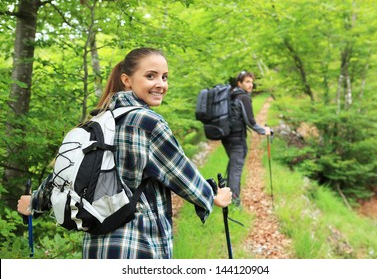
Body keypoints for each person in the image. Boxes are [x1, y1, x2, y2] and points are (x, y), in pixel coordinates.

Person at [17, 47, 232, 259]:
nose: (161, 84)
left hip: (97, 249)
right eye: (151, 76)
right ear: (127, 80)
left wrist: (34, 203)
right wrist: (213, 196)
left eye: (164, 77)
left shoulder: (97, 121)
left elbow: (66, 173)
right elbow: (183, 176)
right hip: (138, 246)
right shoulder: (148, 123)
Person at [222, 70, 271, 207]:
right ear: (240, 83)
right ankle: (235, 202)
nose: (251, 85)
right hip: (237, 139)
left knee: (233, 167)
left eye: (252, 82)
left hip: (226, 138)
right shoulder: (243, 97)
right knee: (236, 170)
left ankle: (227, 195)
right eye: (247, 82)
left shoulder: (231, 95)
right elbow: (251, 122)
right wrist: (265, 131)